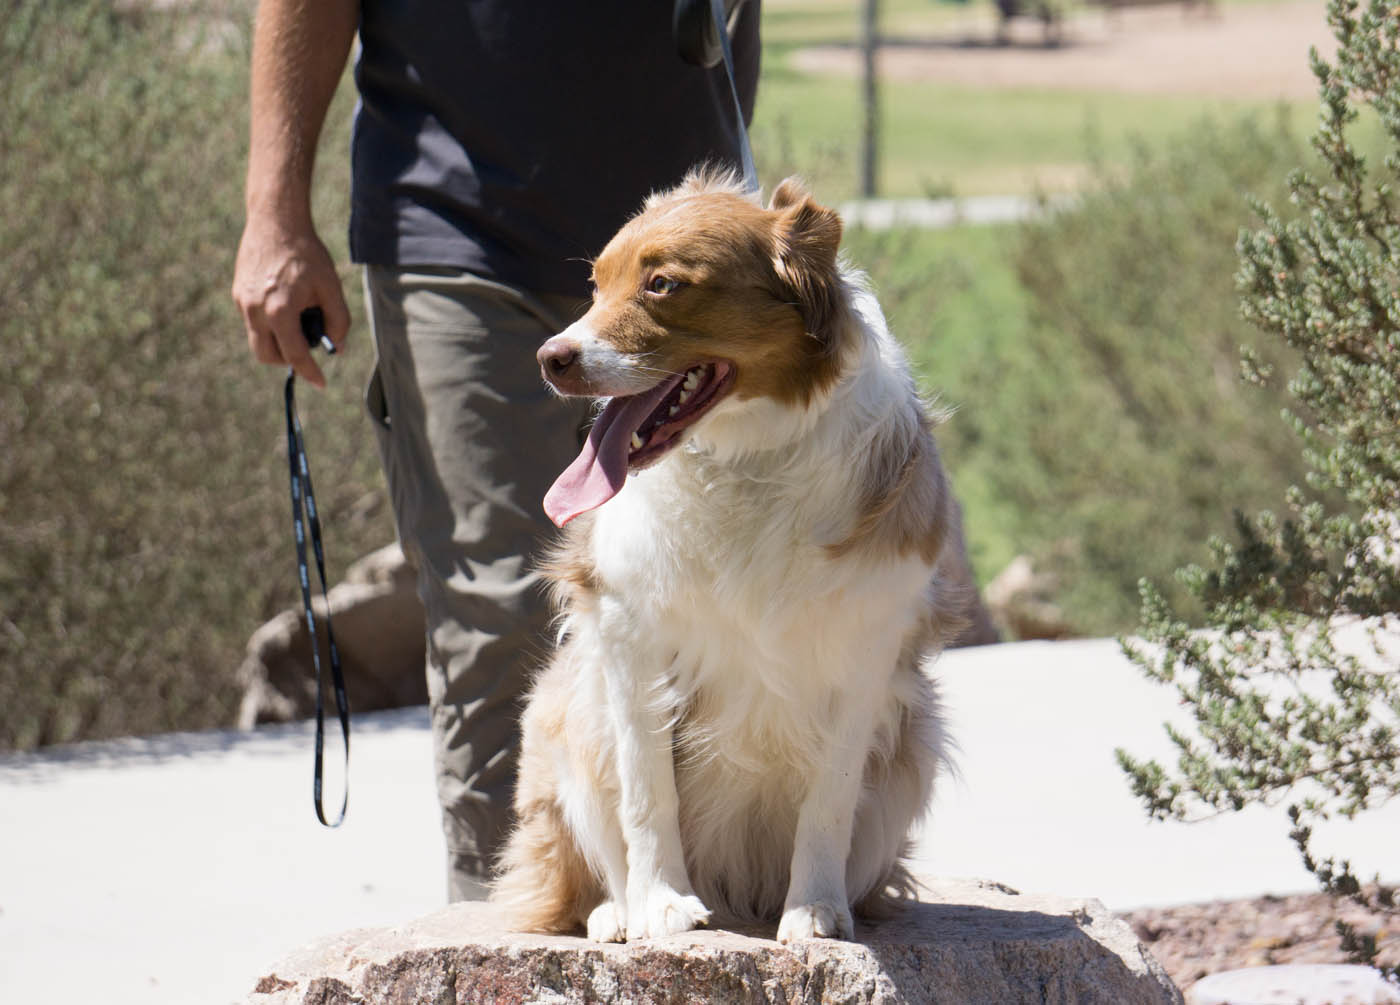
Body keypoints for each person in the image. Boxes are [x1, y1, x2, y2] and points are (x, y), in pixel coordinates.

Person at [232, 0, 761, 901]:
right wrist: (274, 212)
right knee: (504, 615)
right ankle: (503, 943)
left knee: (716, 617)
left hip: (687, 259)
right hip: (459, 229)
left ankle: (694, 932)